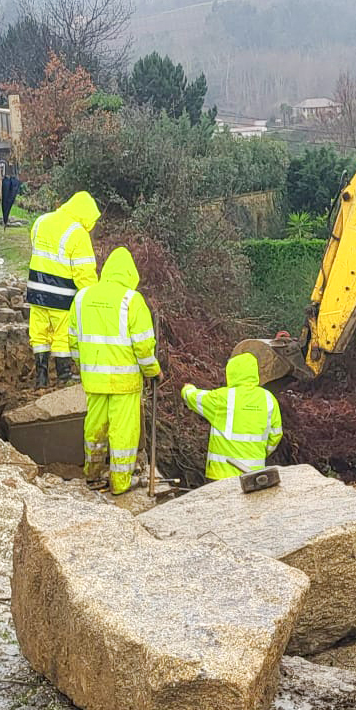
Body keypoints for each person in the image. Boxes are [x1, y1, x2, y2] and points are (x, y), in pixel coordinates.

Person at [73, 248, 161, 495]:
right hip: (124, 383)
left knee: (95, 428)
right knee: (123, 432)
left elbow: (73, 341)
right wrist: (153, 371)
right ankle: (120, 483)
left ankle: (92, 474)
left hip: (94, 380)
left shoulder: (81, 298)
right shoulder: (132, 301)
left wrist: (85, 368)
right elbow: (144, 347)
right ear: (130, 273)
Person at [25, 191, 100, 388]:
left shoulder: (41, 221)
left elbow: (36, 249)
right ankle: (63, 375)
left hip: (36, 292)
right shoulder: (78, 234)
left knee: (38, 333)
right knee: (62, 335)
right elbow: (84, 273)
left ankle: (41, 378)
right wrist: (93, 298)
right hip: (62, 296)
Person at [182, 352, 283, 481]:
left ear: (231, 372)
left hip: (221, 475)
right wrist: (260, 453)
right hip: (255, 475)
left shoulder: (223, 398)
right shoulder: (268, 399)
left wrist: (187, 388)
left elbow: (193, 397)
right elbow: (276, 435)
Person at [0, 159, 23, 226]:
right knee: (7, 200)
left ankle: (5, 218)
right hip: (8, 179)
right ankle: (5, 218)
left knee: (8, 201)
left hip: (10, 179)